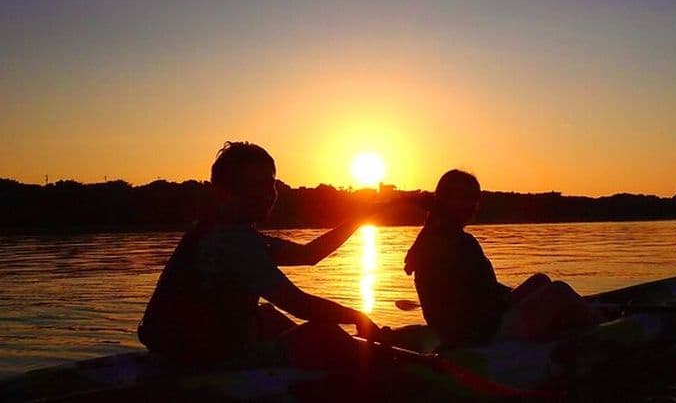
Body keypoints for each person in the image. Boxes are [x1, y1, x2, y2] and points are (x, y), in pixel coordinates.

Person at [138, 141, 380, 367]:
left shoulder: (225, 229)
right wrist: (358, 317)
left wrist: (359, 219)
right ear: (225, 192)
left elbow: (309, 254)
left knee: (267, 316)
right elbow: (298, 304)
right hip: (199, 355)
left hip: (182, 344)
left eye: (270, 183)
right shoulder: (231, 239)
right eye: (255, 185)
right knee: (324, 334)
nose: (268, 193)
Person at [404, 169, 598, 349]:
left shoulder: (432, 236)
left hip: (476, 324)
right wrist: (515, 303)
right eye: (465, 198)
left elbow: (479, 290)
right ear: (446, 199)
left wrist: (515, 297)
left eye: (475, 199)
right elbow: (483, 299)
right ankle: (603, 326)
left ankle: (583, 316)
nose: (472, 206)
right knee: (559, 291)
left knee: (540, 281)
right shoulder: (456, 243)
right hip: (479, 335)